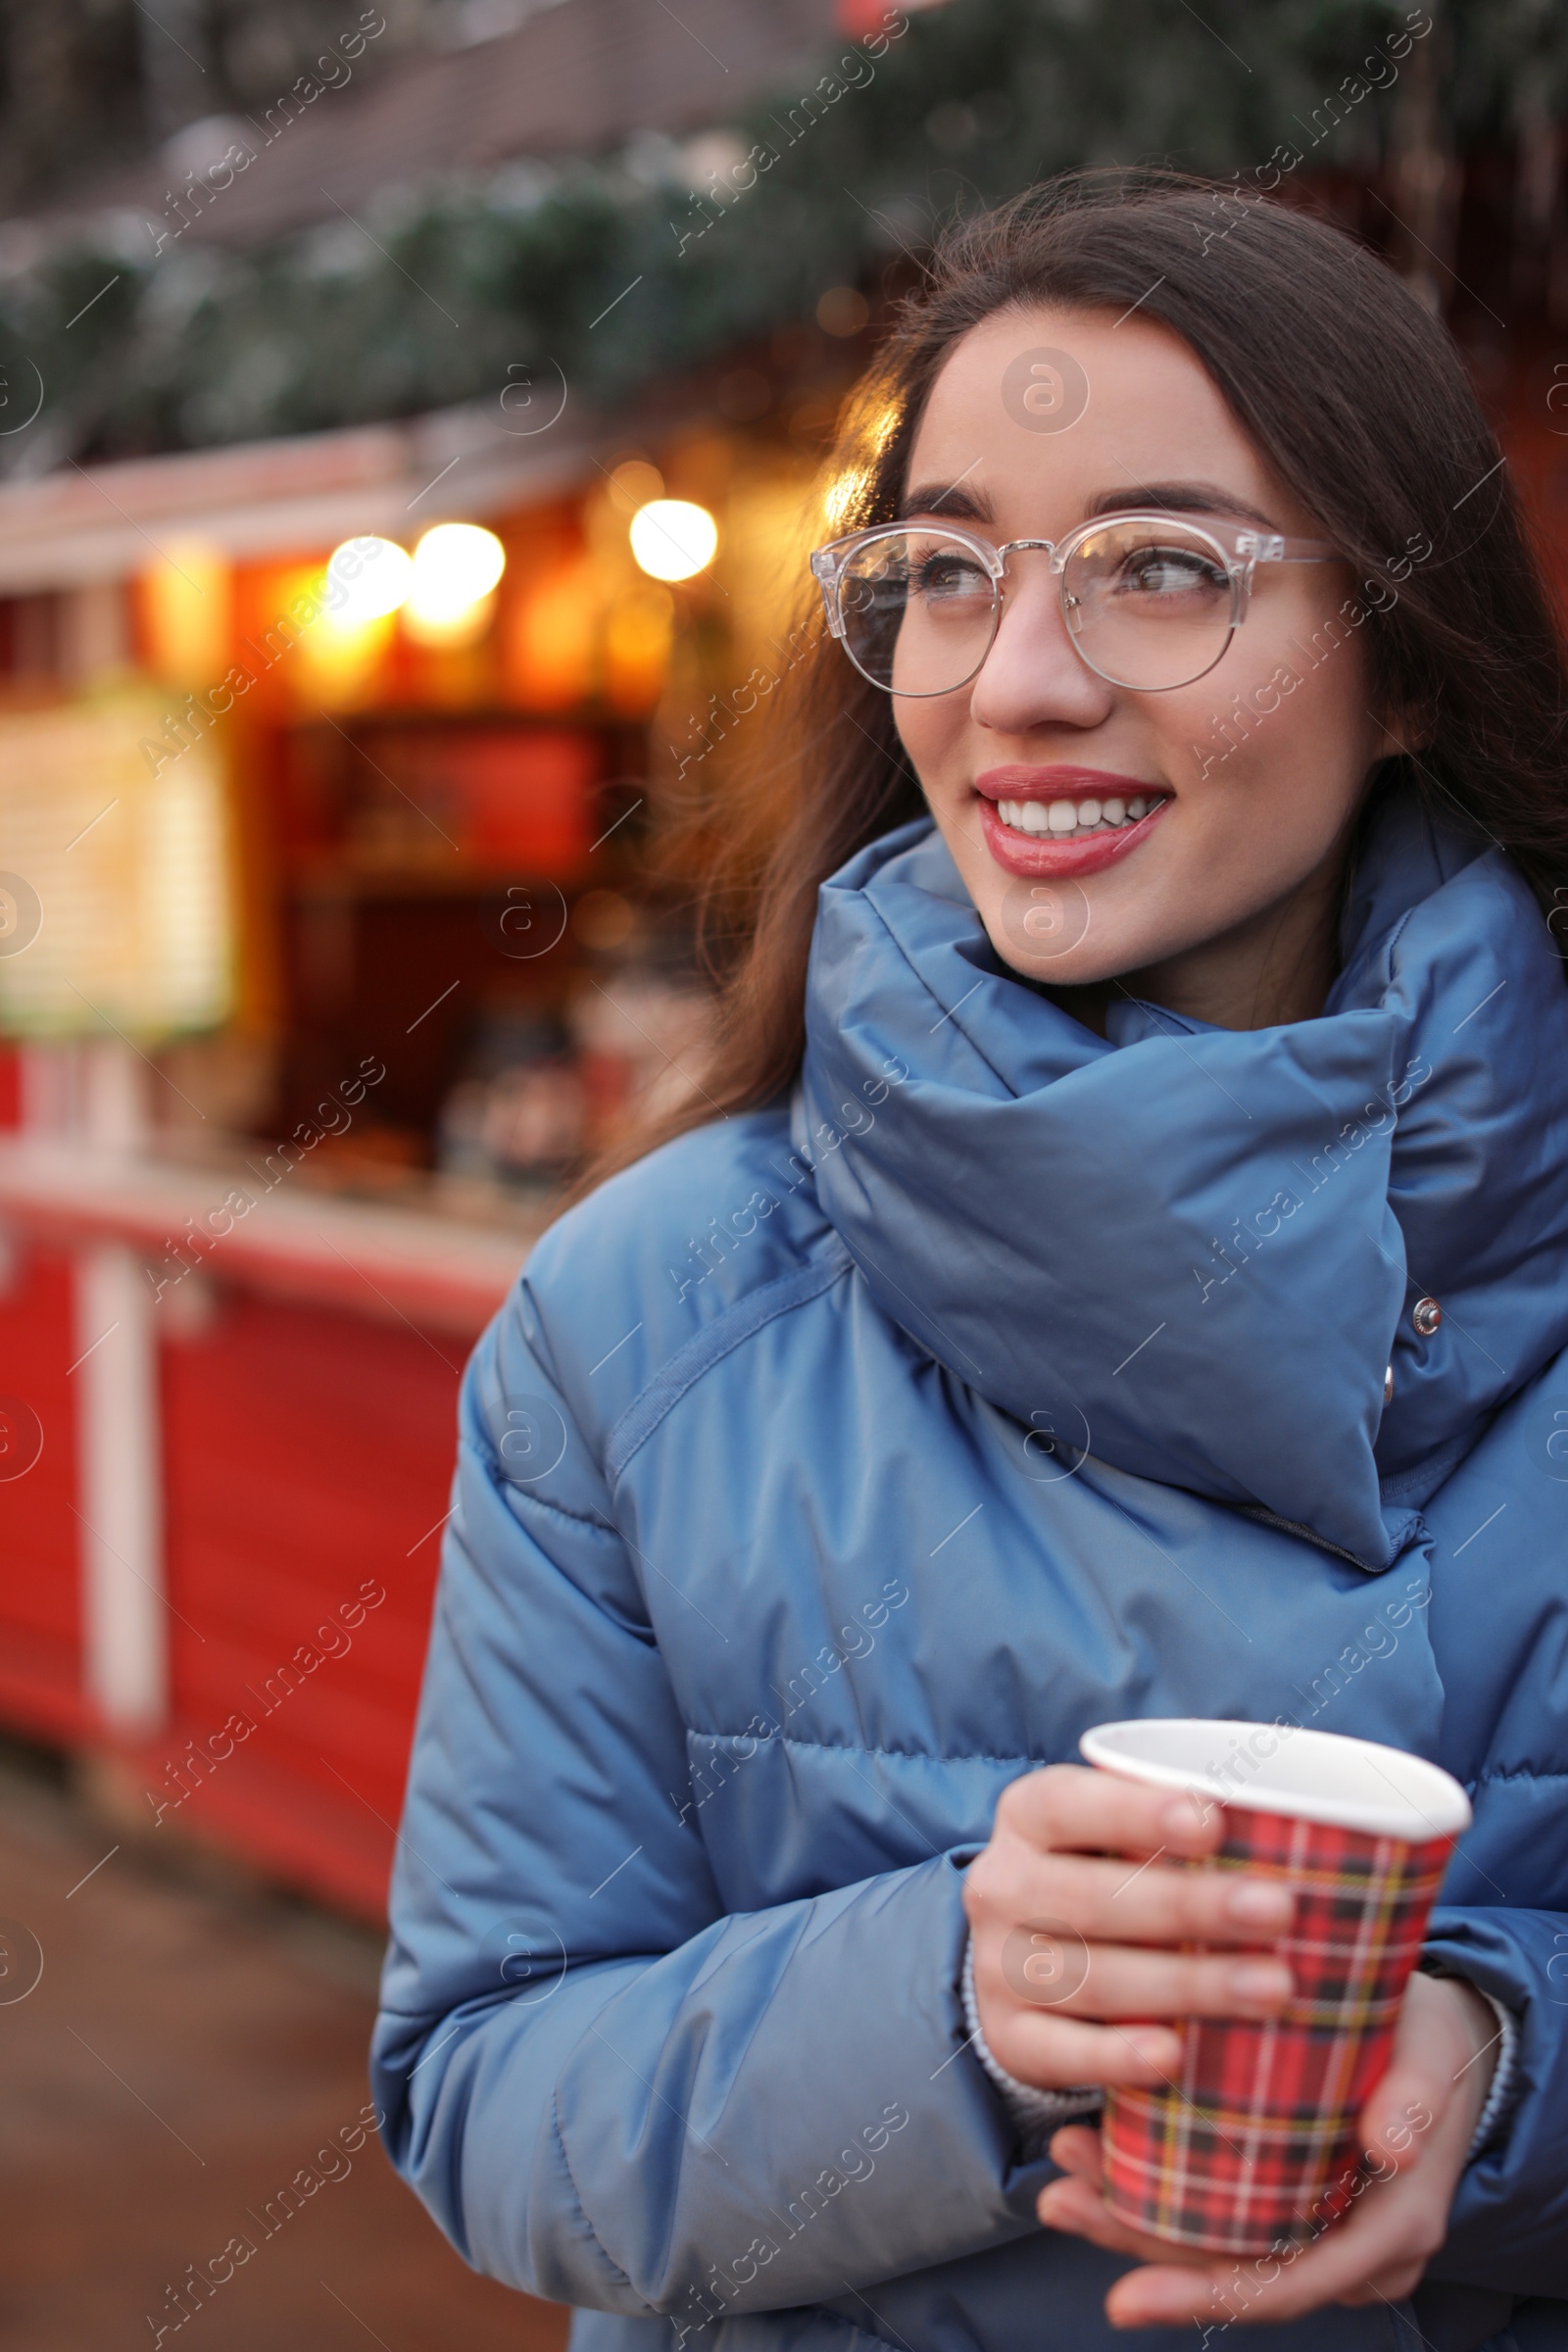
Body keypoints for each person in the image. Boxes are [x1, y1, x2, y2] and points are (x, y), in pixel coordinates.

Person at [371, 171, 1568, 2351]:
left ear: (1404, 659)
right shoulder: (643, 1316)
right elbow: (486, 2092)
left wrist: (1501, 2080)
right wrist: (948, 2003)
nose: (1015, 682)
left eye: (1159, 569)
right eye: (942, 574)